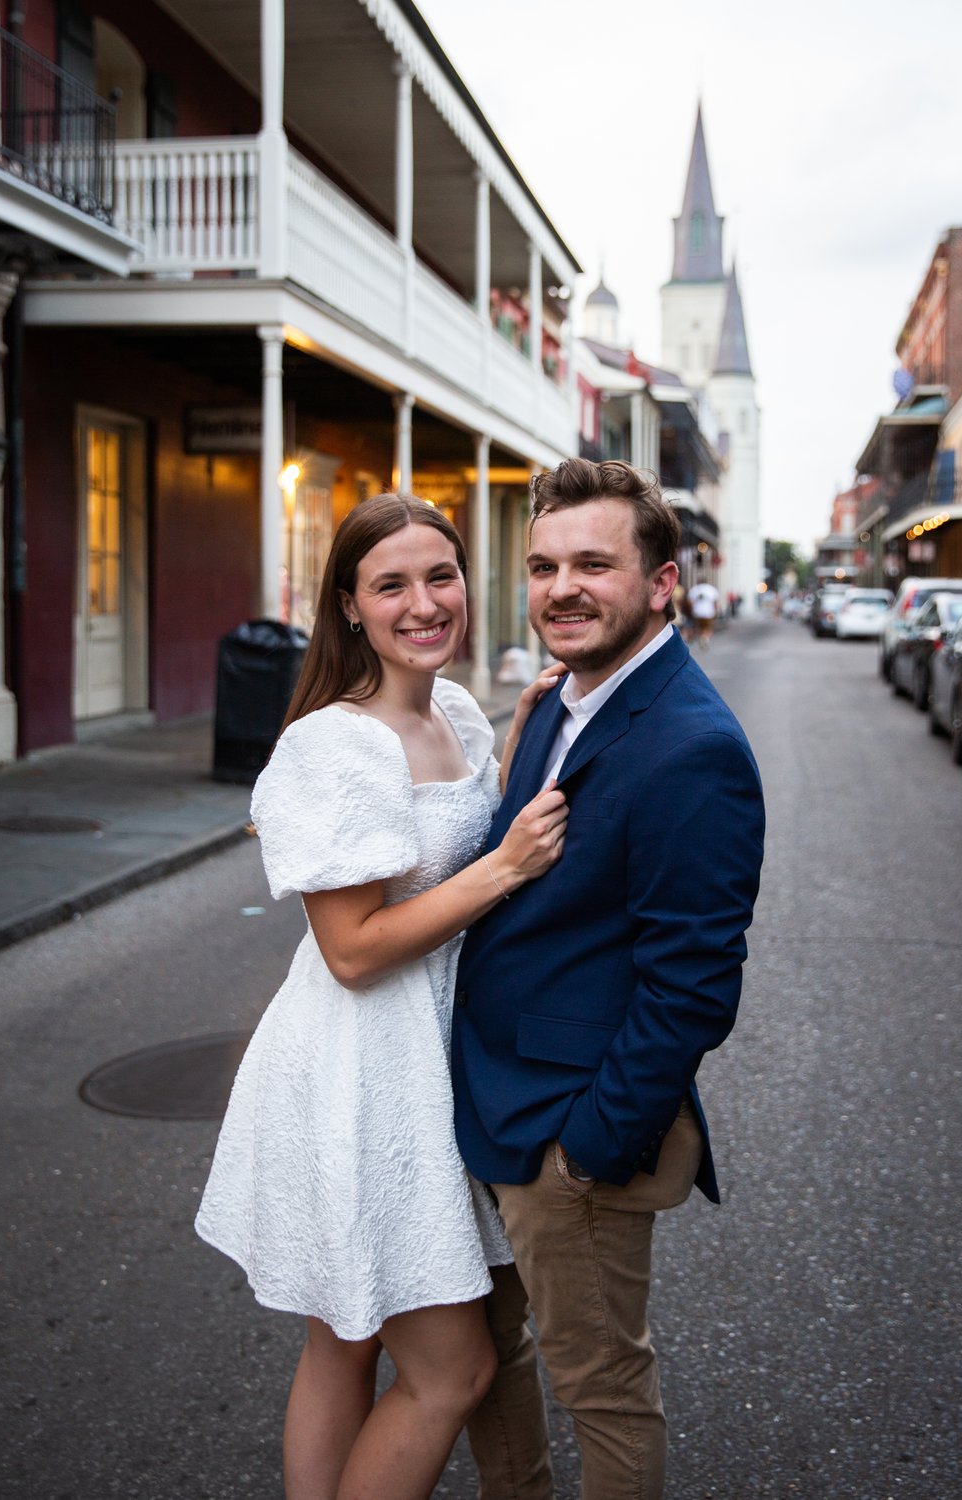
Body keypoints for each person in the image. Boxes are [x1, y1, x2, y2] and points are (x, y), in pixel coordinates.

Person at [195, 493, 568, 1500]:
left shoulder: (448, 709)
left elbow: (460, 831)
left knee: (345, 1337)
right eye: (390, 584)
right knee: (454, 1371)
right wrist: (505, 871)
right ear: (349, 606)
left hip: (417, 1058)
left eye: (439, 576)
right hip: (360, 1072)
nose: (422, 602)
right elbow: (353, 952)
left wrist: (523, 733)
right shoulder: (339, 743)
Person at [452, 458, 765, 1499]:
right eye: (542, 565)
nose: (561, 588)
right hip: (481, 1103)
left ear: (663, 582)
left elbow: (692, 984)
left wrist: (586, 1149)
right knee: (482, 1359)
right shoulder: (555, 699)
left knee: (605, 1389)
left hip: (566, 1136)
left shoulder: (691, 744)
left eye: (593, 562)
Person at [687, 576, 721, 647]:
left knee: (699, 627)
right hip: (708, 612)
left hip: (697, 612)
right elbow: (716, 602)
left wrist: (692, 609)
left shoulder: (694, 589)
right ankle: (705, 638)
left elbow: (690, 602)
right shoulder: (711, 589)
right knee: (707, 627)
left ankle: (702, 637)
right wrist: (716, 611)